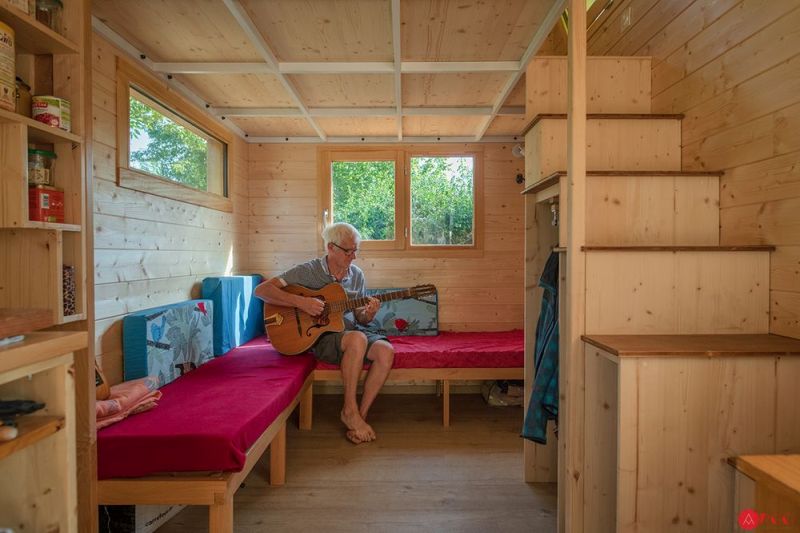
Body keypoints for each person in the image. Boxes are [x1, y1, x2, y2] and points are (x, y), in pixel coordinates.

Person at [254, 222, 395, 444]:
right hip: (320, 336)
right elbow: (262, 290)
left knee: (386, 351)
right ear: (331, 248)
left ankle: (359, 416)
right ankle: (349, 409)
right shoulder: (308, 271)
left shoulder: (356, 275)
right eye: (349, 251)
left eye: (356, 250)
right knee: (357, 339)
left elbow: (361, 318)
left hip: (349, 331)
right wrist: (302, 303)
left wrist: (369, 313)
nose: (354, 257)